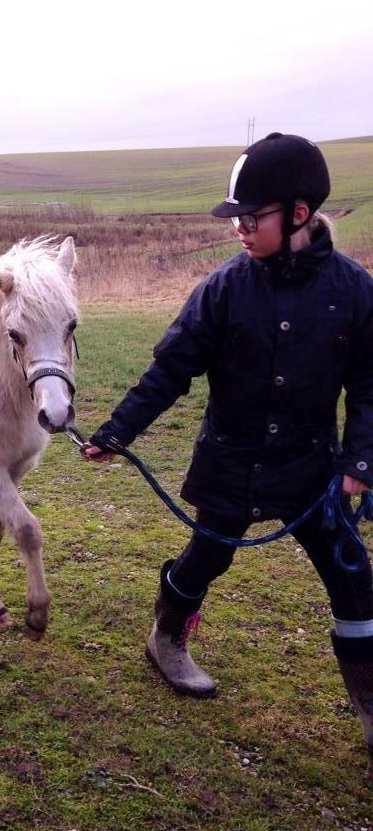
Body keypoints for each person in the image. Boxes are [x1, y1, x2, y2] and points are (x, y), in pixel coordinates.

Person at [82, 132, 373, 758]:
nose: (239, 227)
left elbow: (370, 385)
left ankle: (371, 705)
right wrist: (119, 430)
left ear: (298, 213)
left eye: (252, 215)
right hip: (231, 462)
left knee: (354, 581)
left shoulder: (354, 290)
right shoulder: (223, 288)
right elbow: (170, 369)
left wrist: (359, 461)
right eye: (236, 215)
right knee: (207, 558)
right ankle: (166, 639)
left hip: (312, 470)